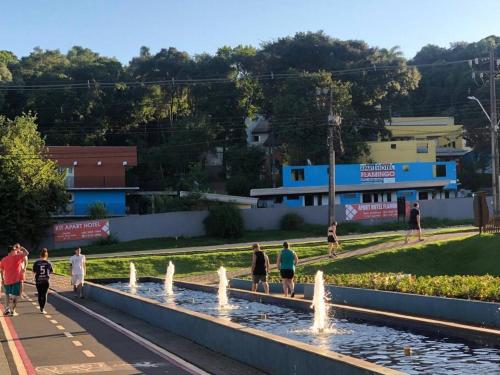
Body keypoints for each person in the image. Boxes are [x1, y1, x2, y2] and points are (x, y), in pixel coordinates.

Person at [0, 245, 29, 316]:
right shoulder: (17, 257)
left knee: (7, 294)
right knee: (15, 296)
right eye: (15, 250)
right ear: (12, 251)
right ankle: (13, 311)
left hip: (7, 280)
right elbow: (27, 253)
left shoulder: (3, 259)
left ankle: (7, 309)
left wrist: (2, 279)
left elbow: (1, 270)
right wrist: (21, 248)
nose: (16, 251)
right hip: (16, 280)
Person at [33, 248, 53, 314]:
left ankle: (40, 306)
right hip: (46, 280)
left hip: (38, 280)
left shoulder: (36, 263)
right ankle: (43, 308)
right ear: (46, 256)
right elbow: (51, 271)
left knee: (39, 293)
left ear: (40, 256)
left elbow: (34, 271)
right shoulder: (48, 263)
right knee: (44, 294)